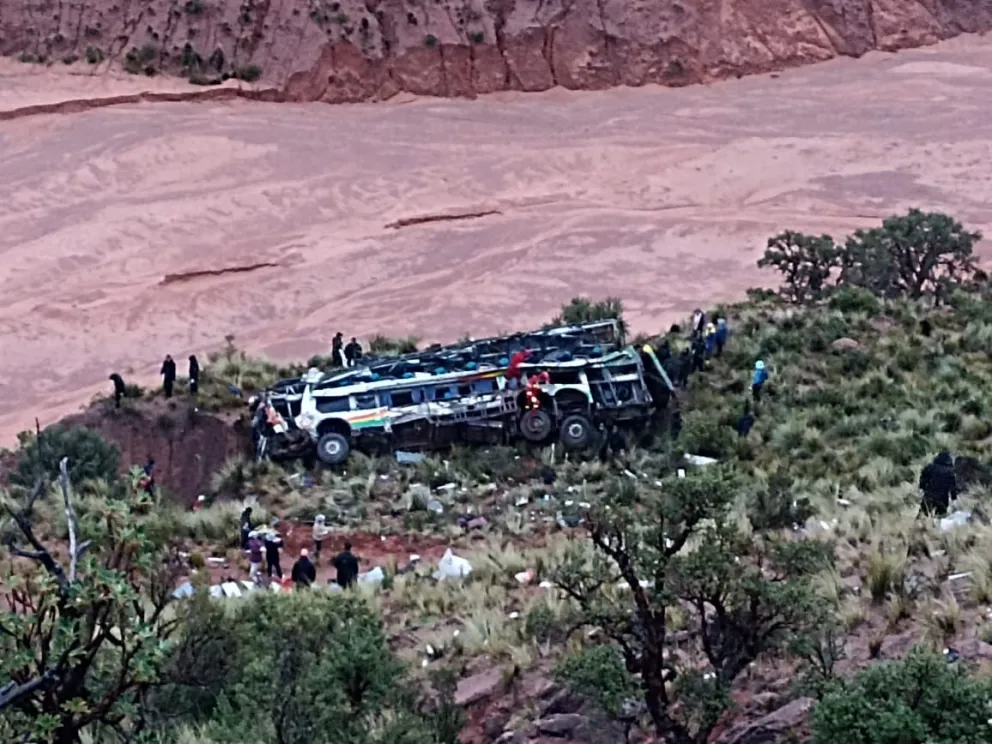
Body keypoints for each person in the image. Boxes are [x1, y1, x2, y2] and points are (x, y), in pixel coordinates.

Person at [919, 450, 958, 517]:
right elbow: (953, 487)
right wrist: (953, 498)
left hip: (929, 495)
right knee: (941, 517)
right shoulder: (950, 472)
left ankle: (918, 526)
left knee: (923, 515)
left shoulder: (930, 467)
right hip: (942, 498)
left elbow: (923, 479)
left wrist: (922, 488)